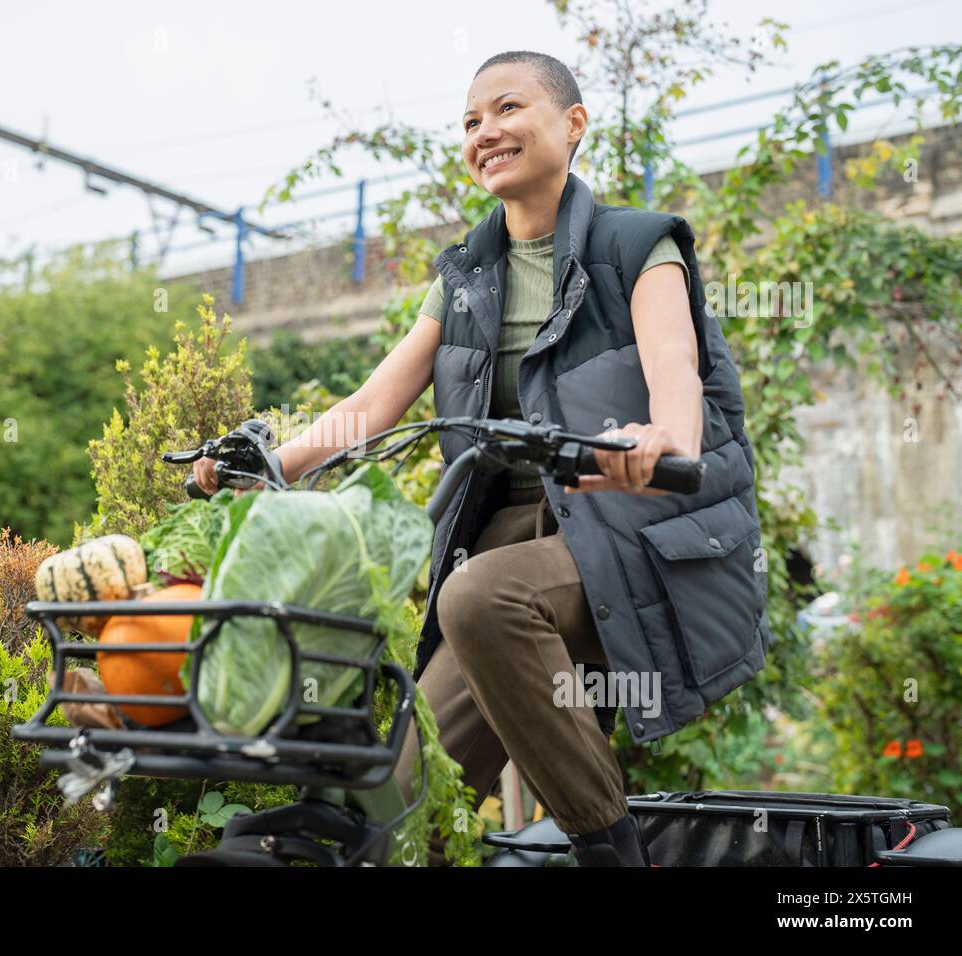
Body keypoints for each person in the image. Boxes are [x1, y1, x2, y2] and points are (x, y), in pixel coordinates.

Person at [194, 50, 769, 867]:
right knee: (403, 798)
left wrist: (663, 441)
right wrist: (266, 466)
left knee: (479, 598)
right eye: (470, 122)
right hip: (500, 554)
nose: (486, 132)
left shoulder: (636, 246)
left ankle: (613, 852)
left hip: (632, 527)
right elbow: (369, 406)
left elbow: (674, 366)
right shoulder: (465, 274)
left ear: (573, 125)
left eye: (507, 109)